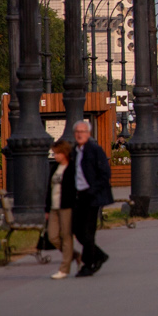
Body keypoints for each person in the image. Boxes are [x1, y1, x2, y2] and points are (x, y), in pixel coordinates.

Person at [67, 118, 113, 277]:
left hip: (92, 196)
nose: (80, 135)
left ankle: (88, 264)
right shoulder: (74, 151)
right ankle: (99, 255)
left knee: (88, 231)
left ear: (89, 133)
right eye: (77, 132)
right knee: (77, 230)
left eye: (83, 132)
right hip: (79, 196)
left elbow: (105, 173)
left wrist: (92, 190)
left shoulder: (94, 150)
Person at [45, 140, 79, 278]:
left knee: (66, 236)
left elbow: (75, 189)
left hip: (66, 207)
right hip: (54, 207)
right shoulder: (55, 168)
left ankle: (64, 269)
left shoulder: (72, 169)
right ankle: (75, 255)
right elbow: (49, 188)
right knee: (52, 236)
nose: (55, 156)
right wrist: (47, 208)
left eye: (57, 153)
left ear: (64, 153)